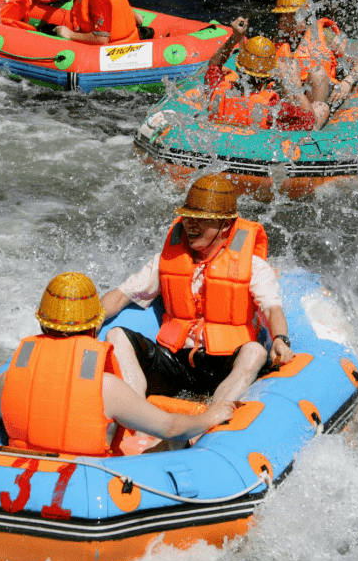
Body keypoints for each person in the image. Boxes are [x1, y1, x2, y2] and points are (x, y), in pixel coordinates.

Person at [0, 272, 235, 456]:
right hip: (91, 486)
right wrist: (210, 416)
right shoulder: (105, 387)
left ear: (42, 325)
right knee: (177, 443)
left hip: (21, 477)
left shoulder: (9, 379)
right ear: (94, 328)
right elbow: (170, 428)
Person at [100, 174, 294, 407]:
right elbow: (121, 295)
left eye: (203, 219)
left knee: (256, 352)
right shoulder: (166, 260)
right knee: (116, 335)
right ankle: (134, 412)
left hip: (225, 365)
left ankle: (214, 416)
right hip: (177, 362)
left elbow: (272, 310)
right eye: (189, 217)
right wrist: (90, 321)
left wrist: (280, 340)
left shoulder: (253, 266)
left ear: (225, 226)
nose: (192, 224)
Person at [206, 15, 328, 130]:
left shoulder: (217, 92)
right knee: (322, 107)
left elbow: (214, 65)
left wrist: (235, 38)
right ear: (268, 75)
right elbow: (309, 121)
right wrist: (291, 85)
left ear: (239, 69)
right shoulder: (272, 108)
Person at [272, 0, 358, 108]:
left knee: (317, 73)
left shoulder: (324, 33)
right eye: (283, 16)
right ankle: (297, 116)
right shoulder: (277, 42)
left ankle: (312, 118)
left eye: (292, 15)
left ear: (305, 15)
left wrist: (347, 82)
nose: (285, 20)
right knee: (286, 67)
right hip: (292, 98)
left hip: (319, 95)